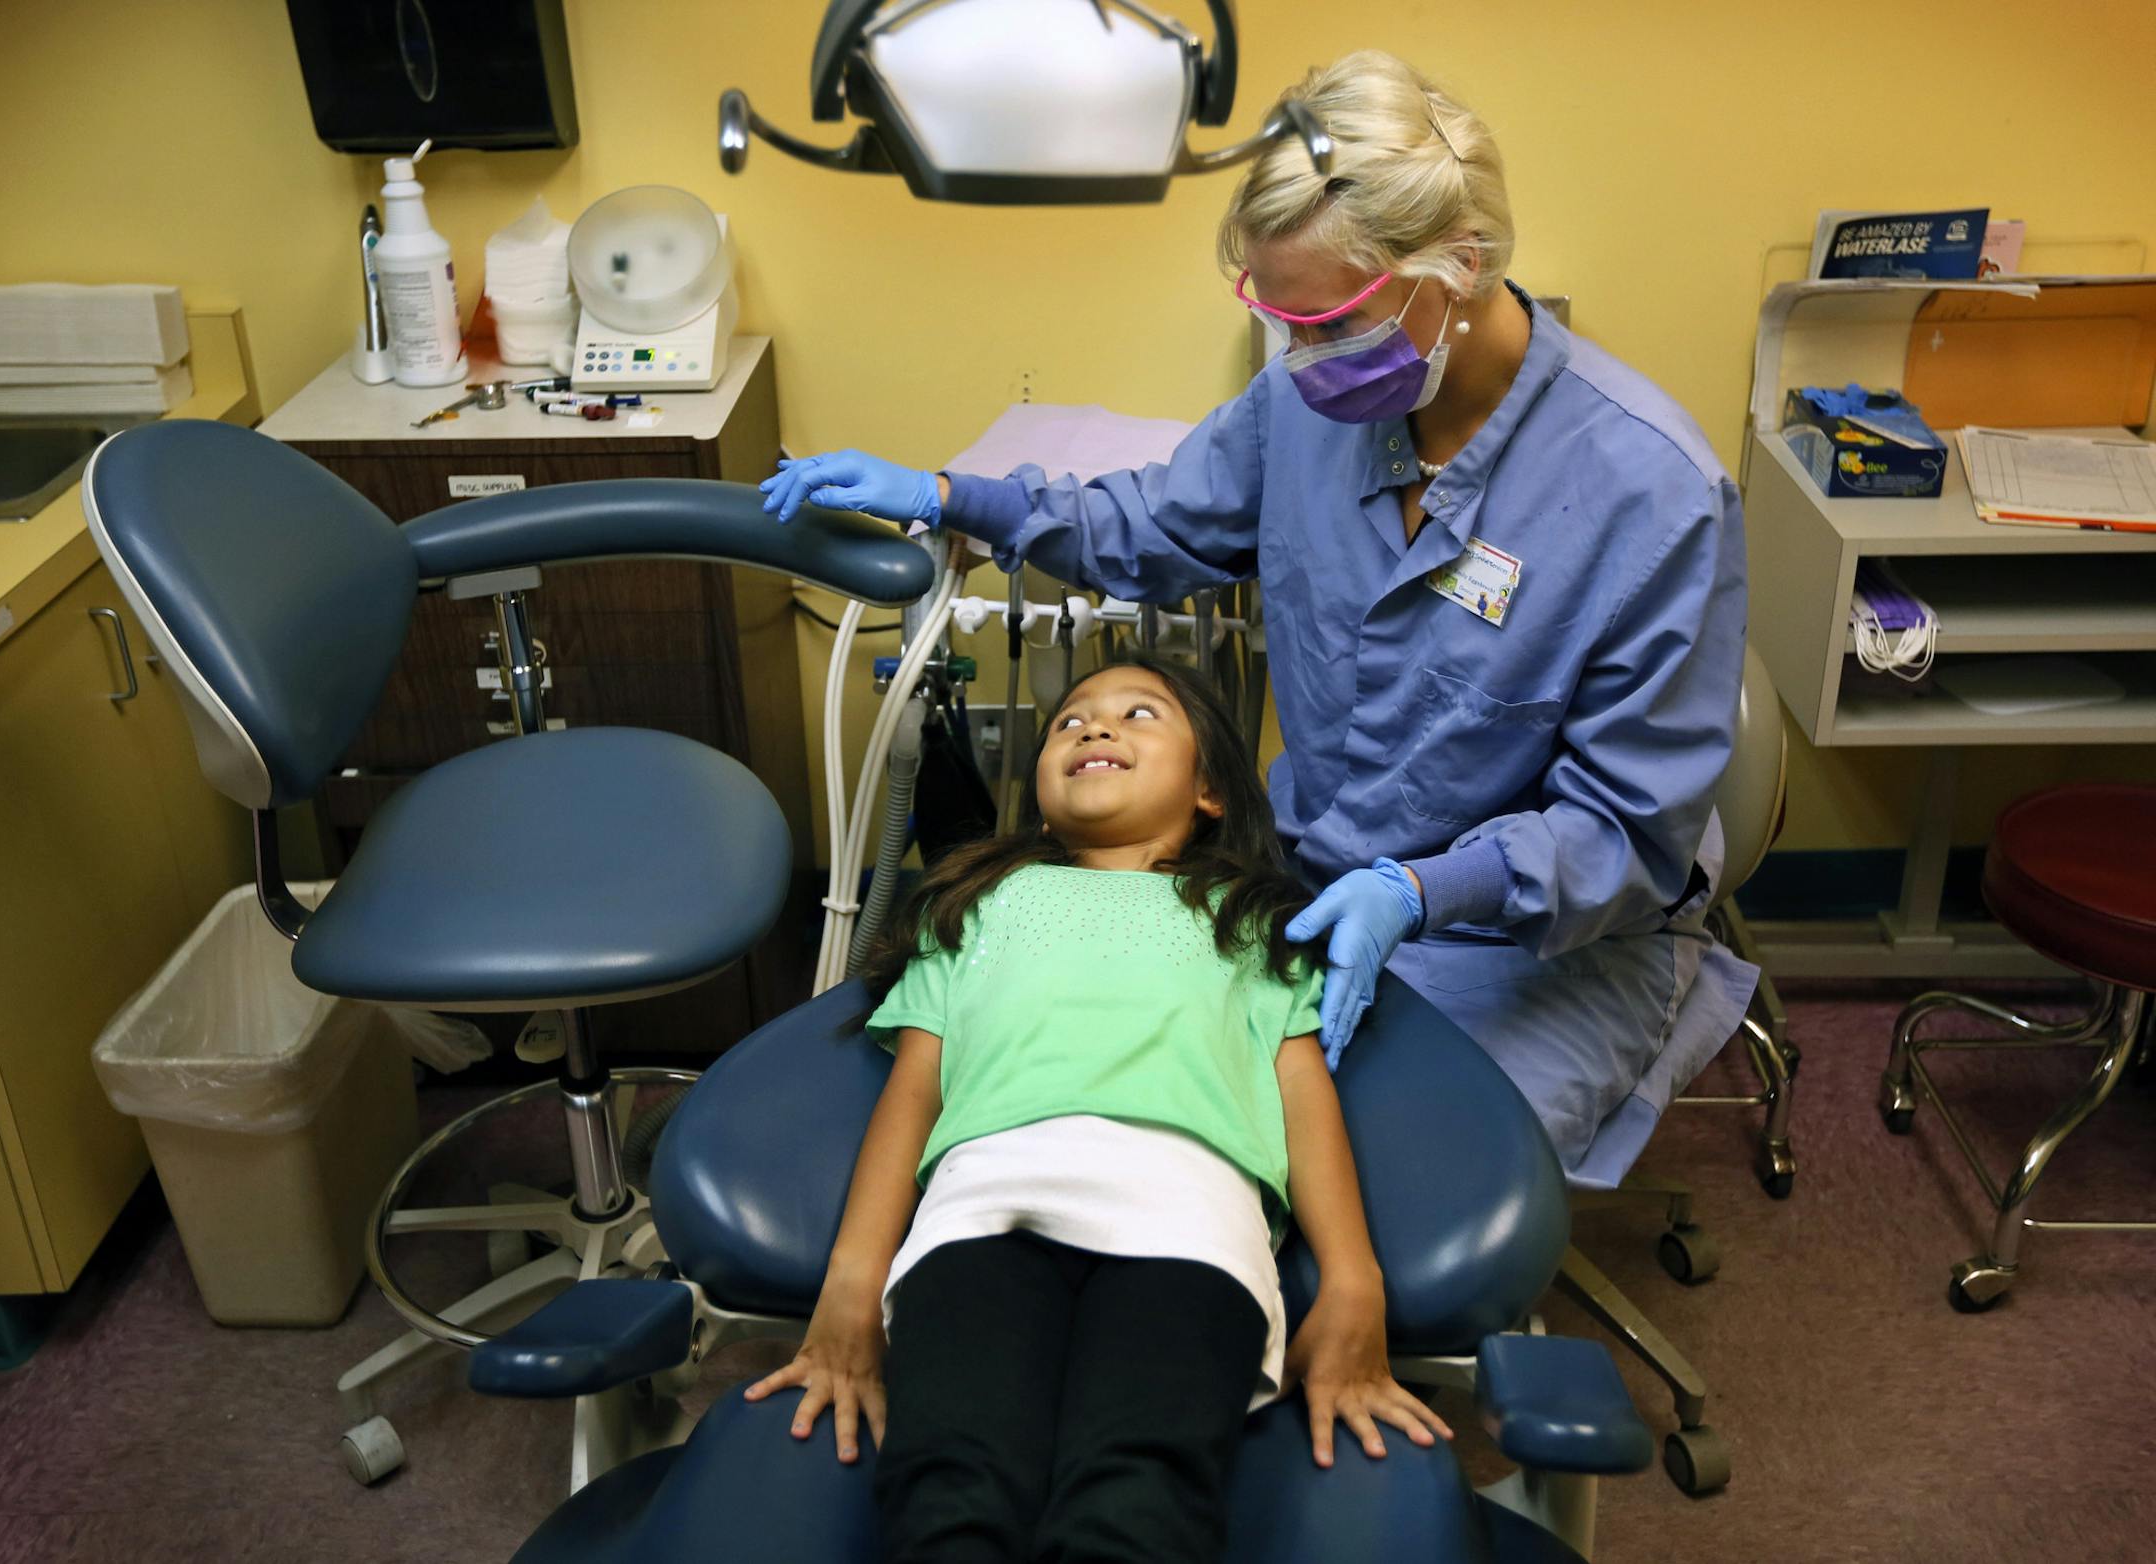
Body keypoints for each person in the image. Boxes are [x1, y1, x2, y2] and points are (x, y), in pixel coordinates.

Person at [762, 50, 1755, 1182]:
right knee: (1170, 1137)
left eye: (1330, 323)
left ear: (1460, 267)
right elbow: (1152, 527)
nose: (1299, 359)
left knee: (1400, 1193)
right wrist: (957, 499)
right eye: (1281, 321)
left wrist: (1422, 890)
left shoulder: (1652, 491)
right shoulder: (1306, 403)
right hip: (1310, 875)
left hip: (1549, 939)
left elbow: (1629, 833)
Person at [744, 656, 1449, 1564]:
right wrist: (851, 1281)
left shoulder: (1249, 919)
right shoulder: (978, 904)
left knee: (1135, 1498)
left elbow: (1301, 1093)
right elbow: (913, 1092)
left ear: (1209, 792)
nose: (1094, 728)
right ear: (1039, 798)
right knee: (951, 1486)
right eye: (1070, 721)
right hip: (982, 1217)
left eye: (1139, 714)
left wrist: (1356, 1282)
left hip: (1191, 1229)